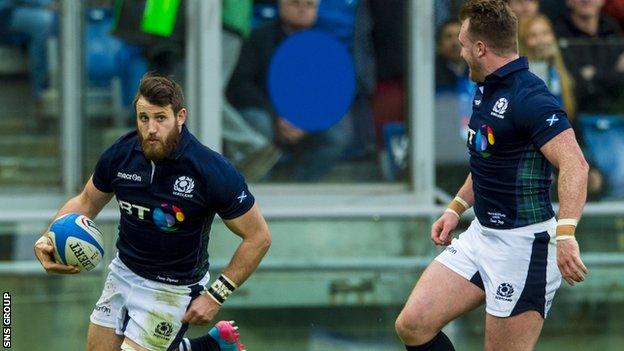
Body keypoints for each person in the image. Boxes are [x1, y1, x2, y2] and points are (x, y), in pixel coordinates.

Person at [395, 1, 589, 350]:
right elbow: (488, 160)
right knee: (413, 325)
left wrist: (567, 233)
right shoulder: (486, 87)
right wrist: (456, 207)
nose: (461, 49)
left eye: (464, 43)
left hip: (524, 248)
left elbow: (575, 163)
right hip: (481, 235)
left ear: (481, 48)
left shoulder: (530, 97)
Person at [33, 74, 272, 351]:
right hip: (123, 272)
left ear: (180, 116)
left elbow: (258, 237)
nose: (151, 129)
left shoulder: (211, 171)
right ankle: (209, 347)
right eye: (143, 118)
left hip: (173, 289)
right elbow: (86, 202)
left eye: (160, 118)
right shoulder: (120, 155)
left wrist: (215, 296)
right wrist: (49, 238)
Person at [227, 0, 348, 182]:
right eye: (295, 3)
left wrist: (307, 121)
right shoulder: (257, 38)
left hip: (306, 123)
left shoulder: (325, 44)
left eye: (309, 5)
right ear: (281, 5)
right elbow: (241, 85)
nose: (302, 9)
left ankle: (299, 186)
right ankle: (260, 189)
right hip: (266, 114)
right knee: (259, 123)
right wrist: (276, 117)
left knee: (337, 136)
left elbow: (331, 92)